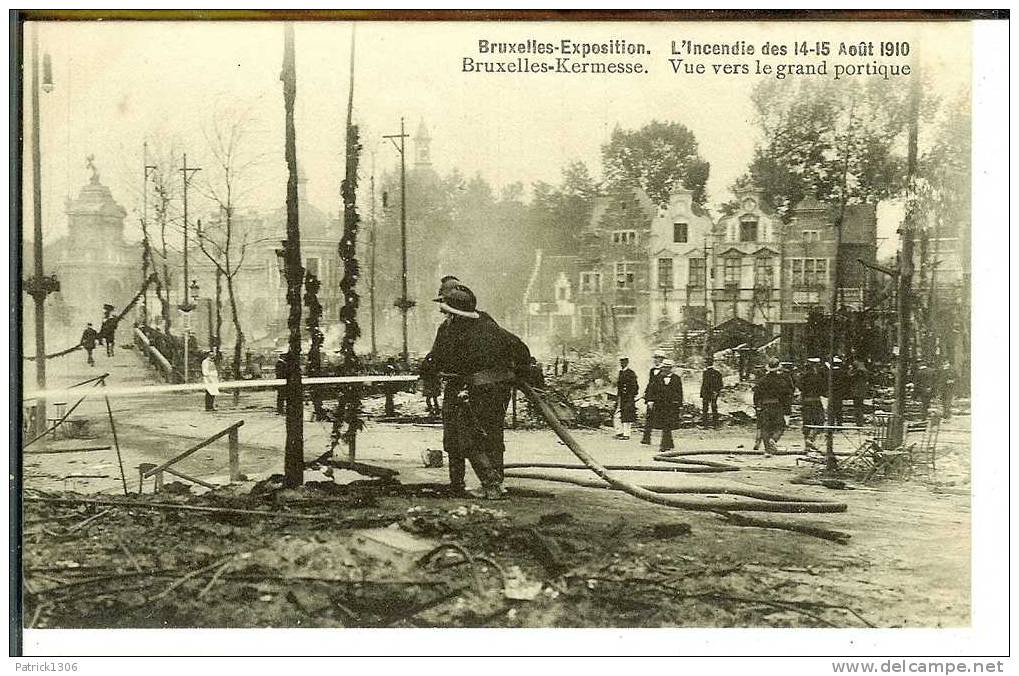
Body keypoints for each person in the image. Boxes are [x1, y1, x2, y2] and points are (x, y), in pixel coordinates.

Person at [421, 285, 531, 500]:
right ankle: (495, 482)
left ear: (454, 313)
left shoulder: (452, 331)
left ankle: (489, 485)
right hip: (497, 390)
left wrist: (426, 371)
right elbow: (520, 349)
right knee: (492, 435)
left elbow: (438, 359)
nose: (443, 314)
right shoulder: (488, 324)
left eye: (445, 310)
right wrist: (517, 374)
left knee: (463, 439)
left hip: (467, 390)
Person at [753, 357, 794, 456]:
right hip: (777, 405)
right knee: (780, 426)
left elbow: (756, 394)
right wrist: (787, 409)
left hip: (764, 406)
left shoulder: (762, 380)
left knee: (765, 427)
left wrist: (757, 406)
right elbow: (786, 394)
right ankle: (774, 440)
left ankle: (767, 450)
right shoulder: (781, 381)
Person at [648, 359, 683, 451]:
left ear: (670, 368)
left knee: (667, 424)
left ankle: (664, 445)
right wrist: (650, 400)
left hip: (672, 405)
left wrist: (679, 404)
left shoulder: (676, 378)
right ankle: (669, 442)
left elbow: (679, 392)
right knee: (665, 424)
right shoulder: (658, 378)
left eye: (666, 368)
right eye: (663, 367)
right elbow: (652, 390)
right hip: (660, 405)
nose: (664, 369)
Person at [798, 357, 827, 451]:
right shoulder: (819, 377)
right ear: (816, 366)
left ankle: (806, 445)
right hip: (816, 401)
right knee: (819, 422)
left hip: (805, 401)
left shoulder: (803, 376)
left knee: (806, 422)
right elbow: (823, 390)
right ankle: (811, 438)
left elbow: (800, 387)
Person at [641, 349, 666, 444]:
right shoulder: (652, 370)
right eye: (655, 358)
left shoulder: (665, 371)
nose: (655, 360)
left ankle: (665, 441)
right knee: (649, 417)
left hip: (660, 398)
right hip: (651, 398)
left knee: (663, 419)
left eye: (657, 358)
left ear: (662, 359)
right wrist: (646, 394)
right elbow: (650, 384)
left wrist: (655, 399)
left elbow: (663, 387)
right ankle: (646, 438)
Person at [614, 356, 639, 440]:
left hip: (628, 397)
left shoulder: (631, 373)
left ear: (627, 362)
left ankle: (626, 434)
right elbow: (619, 386)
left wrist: (632, 396)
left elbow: (635, 386)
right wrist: (618, 396)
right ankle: (619, 432)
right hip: (621, 397)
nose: (622, 363)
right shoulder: (620, 372)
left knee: (627, 415)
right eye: (621, 362)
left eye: (624, 361)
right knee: (617, 414)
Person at [699, 357, 723, 427]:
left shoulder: (706, 373)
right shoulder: (717, 373)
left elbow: (705, 384)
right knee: (713, 408)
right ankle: (715, 424)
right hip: (713, 393)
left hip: (707, 393)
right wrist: (716, 392)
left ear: (707, 364)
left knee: (706, 408)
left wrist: (703, 393)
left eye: (705, 362)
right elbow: (720, 384)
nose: (704, 364)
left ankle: (705, 424)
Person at [849, 359, 870, 426]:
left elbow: (850, 375)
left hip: (856, 392)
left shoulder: (856, 373)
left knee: (857, 407)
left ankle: (859, 421)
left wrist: (851, 369)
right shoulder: (864, 372)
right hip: (861, 392)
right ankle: (859, 421)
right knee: (860, 407)